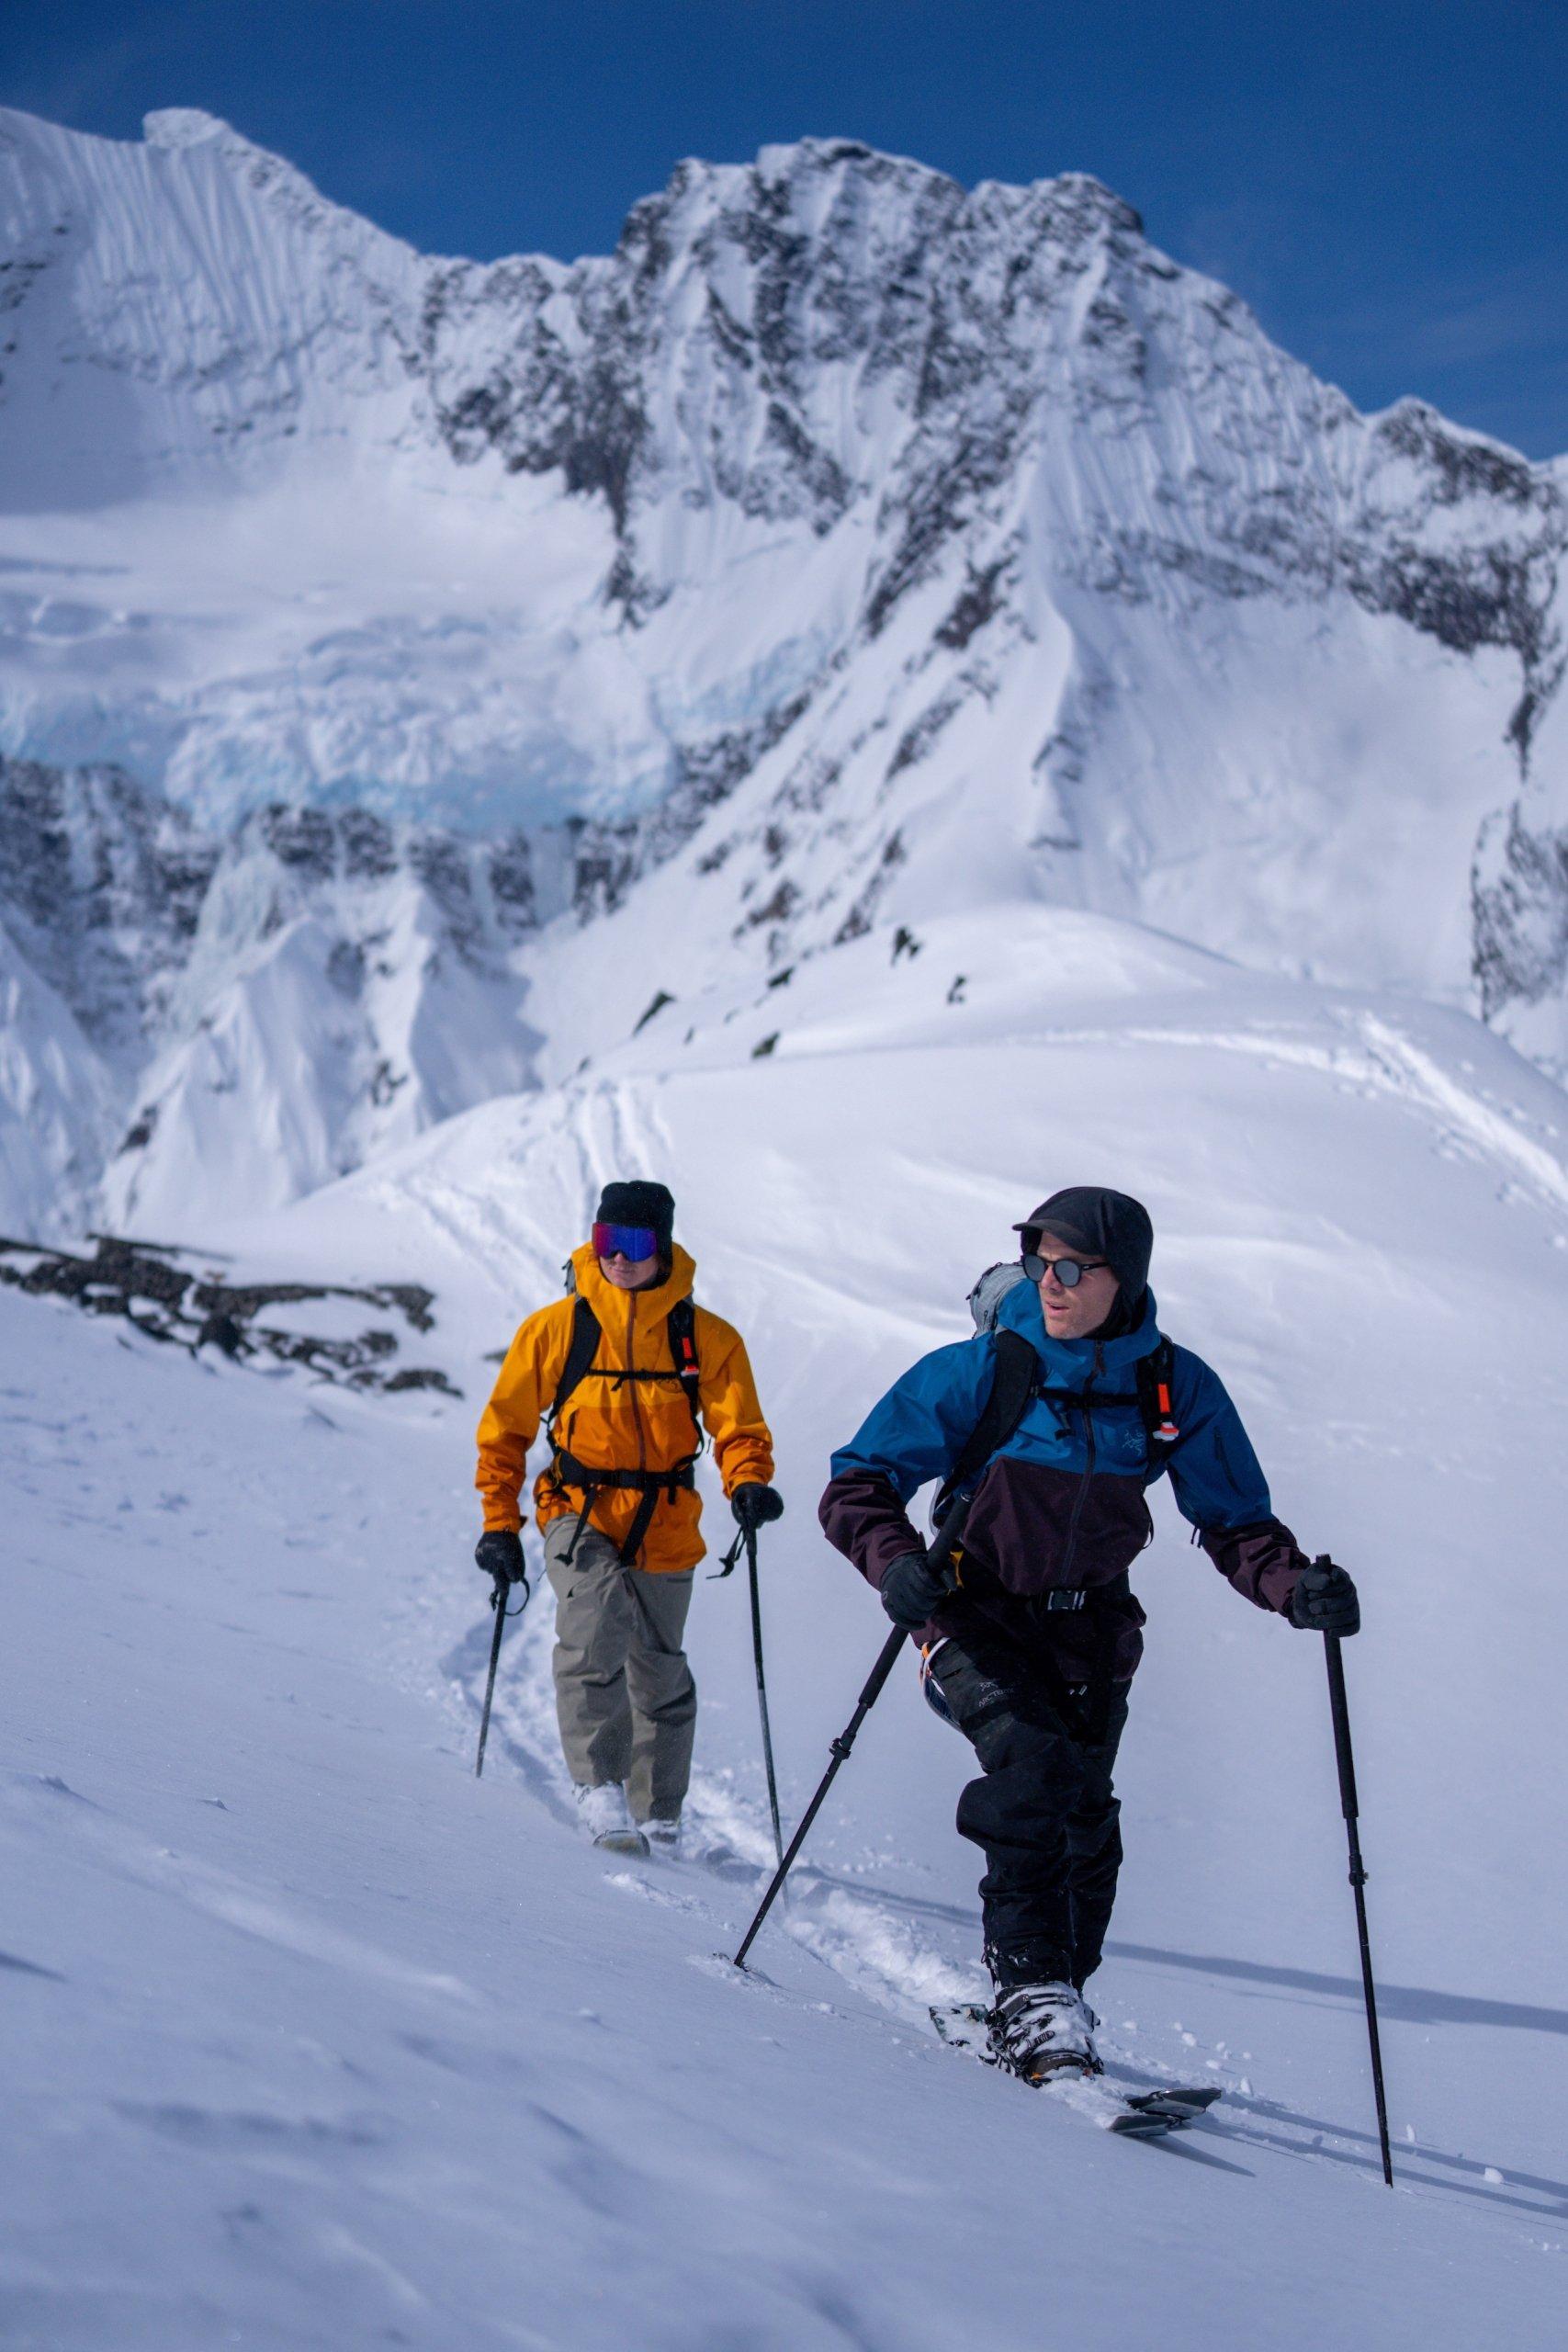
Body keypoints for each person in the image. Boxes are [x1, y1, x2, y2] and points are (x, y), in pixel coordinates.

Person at [818, 1185, 1358, 2084]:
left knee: (1086, 1824)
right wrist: (894, 1563)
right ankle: (1033, 2000)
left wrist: (1297, 1589)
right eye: (1037, 1260)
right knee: (1031, 1772)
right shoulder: (984, 1371)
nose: (1051, 1281)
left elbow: (1236, 1523)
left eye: (1072, 1265)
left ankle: (1050, 1997)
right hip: (970, 1610)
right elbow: (858, 1482)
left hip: (1092, 1629)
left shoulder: (1172, 1387)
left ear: (1125, 1276)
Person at [474, 1181, 782, 1851]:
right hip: (575, 1509)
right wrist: (500, 1524)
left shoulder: (705, 1338)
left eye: (635, 1243)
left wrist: (748, 1482)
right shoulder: (557, 1328)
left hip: (668, 1515)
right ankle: (599, 1789)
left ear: (663, 1246)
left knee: (659, 1666)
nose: (618, 1258)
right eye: (607, 1241)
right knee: (592, 1632)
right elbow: (505, 1433)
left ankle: (658, 1815)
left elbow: (738, 1428)